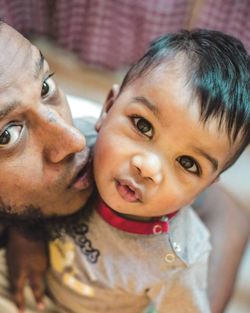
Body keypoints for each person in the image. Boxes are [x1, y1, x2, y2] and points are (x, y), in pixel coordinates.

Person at [0, 23, 249, 313]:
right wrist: (27, 236)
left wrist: (26, 234)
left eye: (45, 87)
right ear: (108, 108)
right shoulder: (93, 143)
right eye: (143, 126)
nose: (147, 167)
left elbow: (229, 216)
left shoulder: (175, 262)